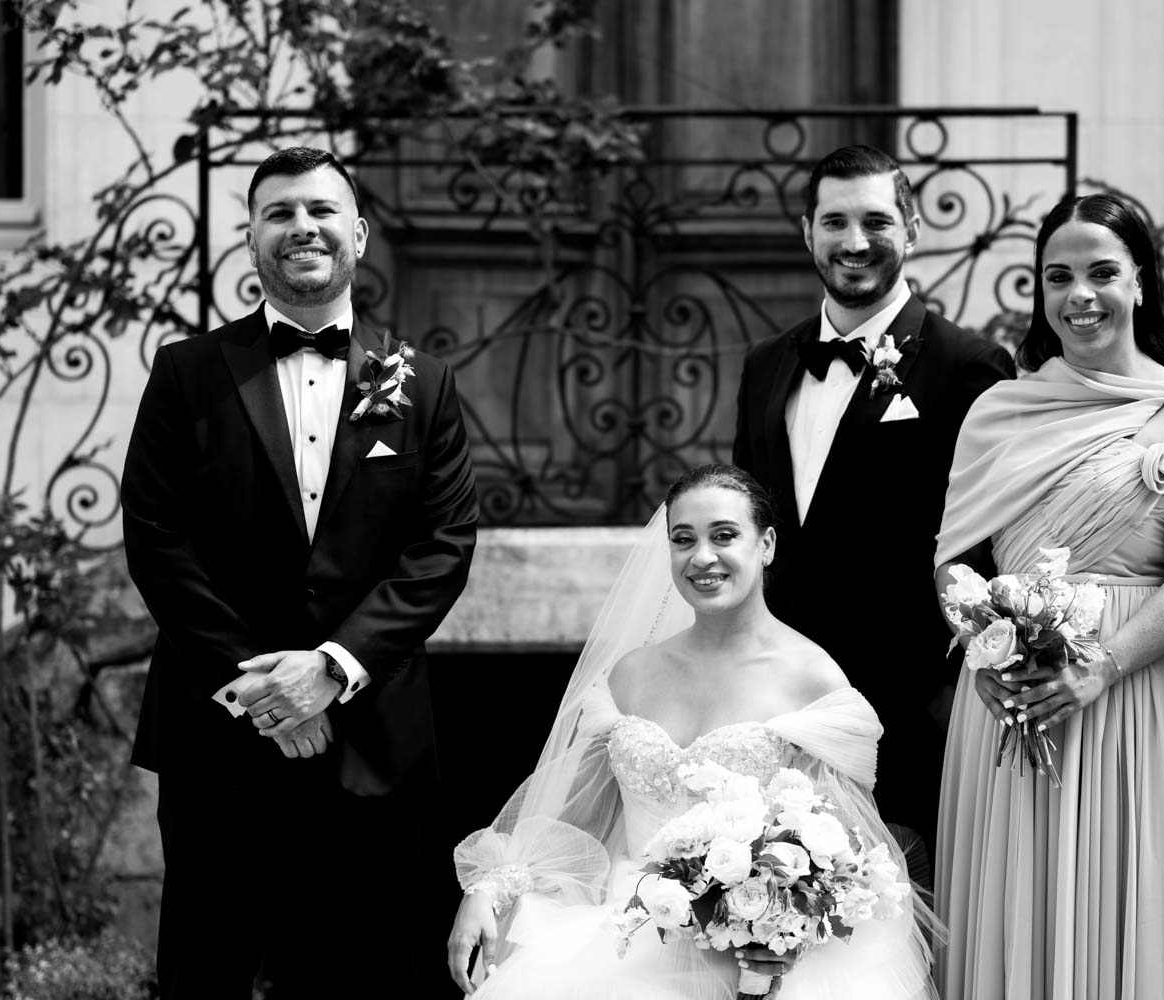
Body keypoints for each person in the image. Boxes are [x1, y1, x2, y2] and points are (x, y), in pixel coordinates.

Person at [122, 146, 479, 998]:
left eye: (320, 209)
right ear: (251, 239)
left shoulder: (422, 384)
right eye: (278, 212)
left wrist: (331, 669)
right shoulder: (185, 373)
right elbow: (156, 539)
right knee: (206, 971)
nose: (301, 227)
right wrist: (260, 690)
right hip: (219, 735)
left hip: (371, 737)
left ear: (358, 233)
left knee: (362, 975)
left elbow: (441, 546)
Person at [931, 192, 1164, 998]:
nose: (1078, 295)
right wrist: (982, 645)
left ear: (1141, 282)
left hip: (1131, 701)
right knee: (1016, 915)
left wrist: (1100, 667)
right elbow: (952, 561)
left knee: (1132, 914)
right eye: (1057, 277)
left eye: (1101, 273)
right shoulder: (996, 411)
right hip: (1008, 707)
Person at [445, 464, 940, 999]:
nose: (702, 557)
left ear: (767, 545)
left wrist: (786, 930)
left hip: (755, 958)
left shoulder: (813, 680)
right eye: (683, 540)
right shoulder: (631, 674)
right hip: (624, 937)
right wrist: (490, 887)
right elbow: (576, 811)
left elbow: (846, 856)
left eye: (724, 535)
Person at [733, 144, 1014, 874]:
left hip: (910, 719)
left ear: (912, 230)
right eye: (834, 222)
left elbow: (987, 545)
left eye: (875, 221)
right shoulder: (764, 365)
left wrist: (949, 697)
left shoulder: (969, 366)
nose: (854, 242)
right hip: (779, 710)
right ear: (807, 232)